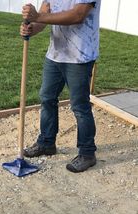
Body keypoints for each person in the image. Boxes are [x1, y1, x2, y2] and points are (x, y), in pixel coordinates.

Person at [20, 0, 101, 173]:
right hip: (55, 54)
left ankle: (87, 153)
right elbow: (44, 14)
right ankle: (46, 143)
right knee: (47, 98)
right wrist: (32, 27)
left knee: (79, 106)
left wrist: (38, 16)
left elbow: (78, 15)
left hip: (80, 56)